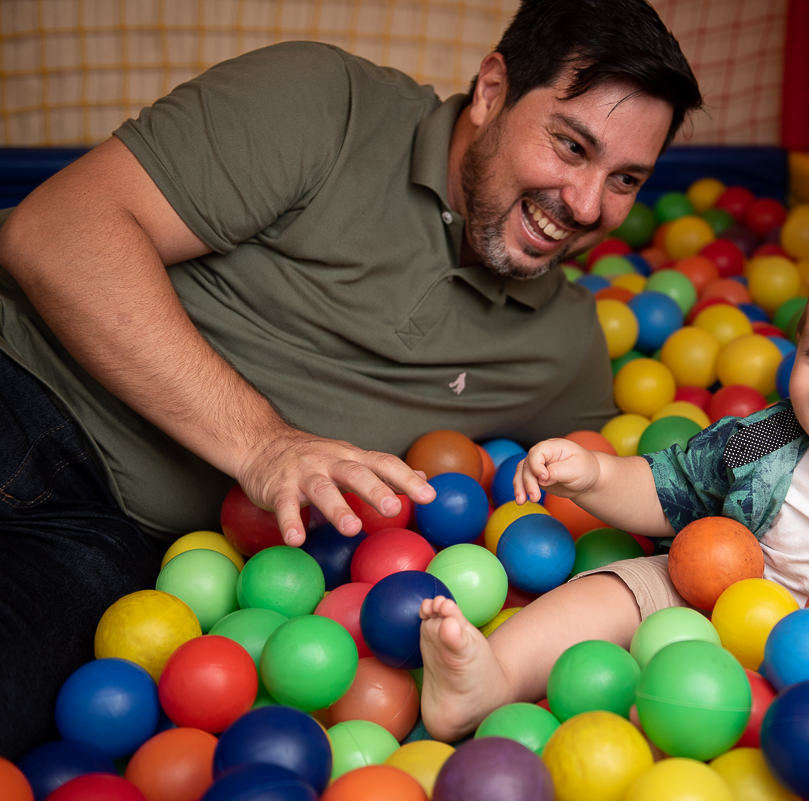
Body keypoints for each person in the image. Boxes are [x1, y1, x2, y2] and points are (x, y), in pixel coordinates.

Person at [0, 0, 701, 757]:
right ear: (492, 89)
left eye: (625, 179)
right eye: (570, 146)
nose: (588, 205)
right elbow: (55, 230)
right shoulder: (323, 104)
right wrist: (265, 445)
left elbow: (634, 504)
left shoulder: (563, 348)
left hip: (111, 539)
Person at [419, 227, 809, 741]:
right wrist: (594, 475)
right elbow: (668, 490)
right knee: (627, 587)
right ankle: (490, 680)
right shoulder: (764, 446)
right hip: (717, 610)